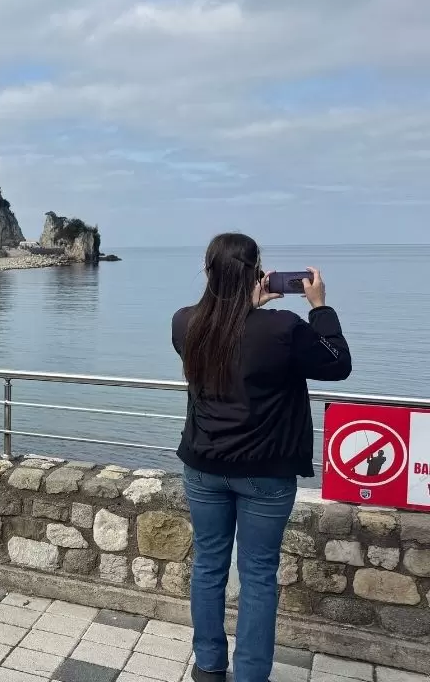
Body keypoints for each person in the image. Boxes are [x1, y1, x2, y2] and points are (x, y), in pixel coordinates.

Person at [172, 233, 351, 682]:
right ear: (255, 271)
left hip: (203, 466)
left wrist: (246, 305)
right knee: (257, 576)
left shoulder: (184, 322)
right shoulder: (283, 328)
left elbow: (228, 341)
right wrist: (320, 306)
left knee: (209, 565)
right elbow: (337, 363)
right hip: (265, 473)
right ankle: (251, 675)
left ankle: (209, 667)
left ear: (210, 271)